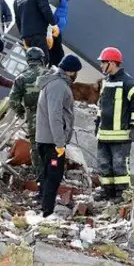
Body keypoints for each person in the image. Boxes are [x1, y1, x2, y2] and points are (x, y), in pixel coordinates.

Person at [94, 47, 134, 203]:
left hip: (121, 135)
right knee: (104, 165)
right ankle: (107, 191)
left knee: (119, 166)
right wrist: (98, 123)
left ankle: (121, 194)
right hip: (104, 134)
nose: (101, 66)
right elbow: (101, 105)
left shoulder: (127, 82)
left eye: (103, 62)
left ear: (112, 63)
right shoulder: (106, 82)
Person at [35, 54, 83, 217]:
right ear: (70, 71)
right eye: (76, 72)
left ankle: (42, 204)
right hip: (52, 142)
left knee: (47, 173)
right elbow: (54, 116)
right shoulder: (58, 86)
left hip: (46, 139)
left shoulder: (53, 82)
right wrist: (60, 143)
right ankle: (46, 211)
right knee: (54, 176)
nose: (76, 76)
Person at [8, 47, 49, 190]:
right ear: (42, 59)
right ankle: (55, 175)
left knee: (37, 149)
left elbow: (13, 101)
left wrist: (22, 112)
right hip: (52, 119)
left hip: (34, 120)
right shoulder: (51, 74)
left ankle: (41, 178)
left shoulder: (21, 77)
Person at [13, 0, 57, 64]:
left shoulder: (16, 1)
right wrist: (53, 24)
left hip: (26, 36)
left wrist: (23, 37)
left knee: (32, 62)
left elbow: (18, 20)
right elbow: (45, 9)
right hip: (38, 33)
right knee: (43, 60)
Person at [47, 0, 82, 67]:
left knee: (57, 58)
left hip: (54, 31)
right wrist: (49, 34)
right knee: (58, 59)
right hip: (51, 32)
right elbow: (47, 14)